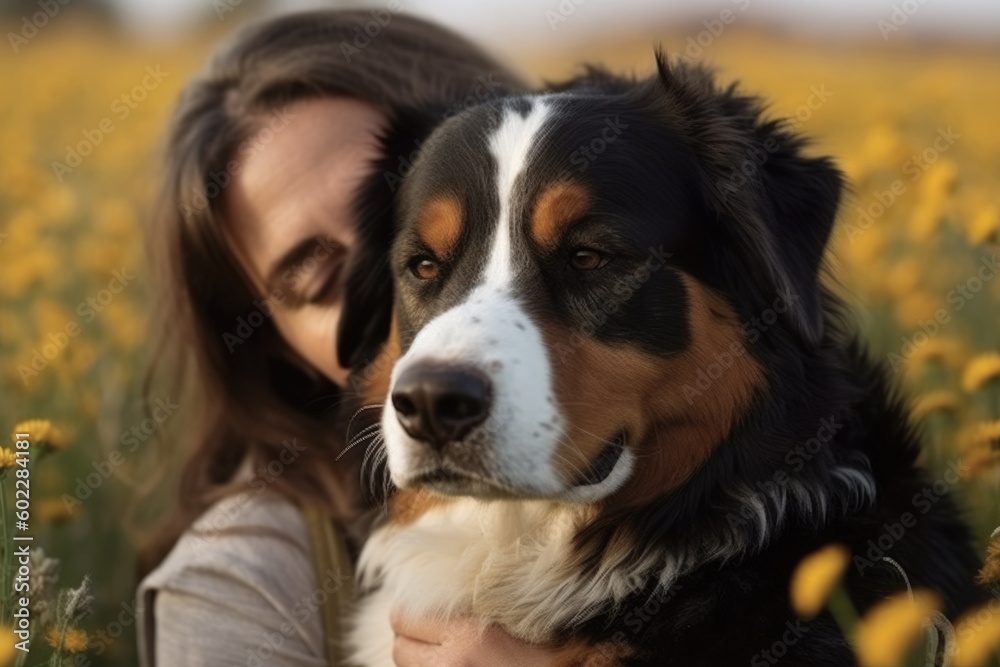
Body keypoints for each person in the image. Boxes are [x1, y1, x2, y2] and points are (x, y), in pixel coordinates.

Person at [136, 10, 558, 666]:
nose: (392, 294)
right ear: (275, 347)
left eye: (417, 228)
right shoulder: (238, 590)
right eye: (324, 276)